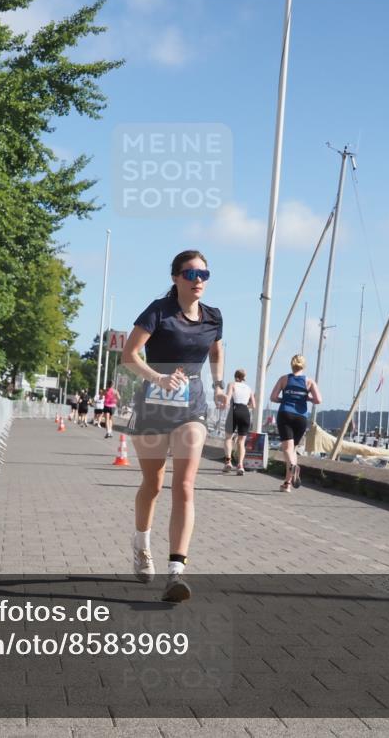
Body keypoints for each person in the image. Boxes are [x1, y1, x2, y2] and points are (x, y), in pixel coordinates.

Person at [122, 249, 225, 603]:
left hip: (191, 408)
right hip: (153, 408)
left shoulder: (213, 317)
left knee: (184, 485)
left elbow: (215, 351)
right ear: (176, 277)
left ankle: (176, 572)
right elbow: (129, 354)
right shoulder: (158, 311)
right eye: (191, 274)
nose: (199, 280)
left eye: (204, 274)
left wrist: (220, 385)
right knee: (152, 483)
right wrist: (157, 377)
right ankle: (140, 544)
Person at [269, 355, 322, 493]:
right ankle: (287, 484)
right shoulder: (309, 382)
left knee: (287, 449)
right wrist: (307, 398)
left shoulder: (284, 379)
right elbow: (318, 400)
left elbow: (273, 397)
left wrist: (284, 399)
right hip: (301, 417)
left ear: (291, 365)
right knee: (293, 451)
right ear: (303, 366)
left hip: (285, 413)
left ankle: (293, 467)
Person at [222, 369, 255, 475]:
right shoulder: (248, 388)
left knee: (228, 438)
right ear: (243, 378)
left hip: (234, 410)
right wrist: (245, 407)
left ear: (235, 377)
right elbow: (253, 405)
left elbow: (228, 398)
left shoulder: (232, 384)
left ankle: (228, 462)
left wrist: (224, 405)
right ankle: (240, 465)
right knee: (241, 442)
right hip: (245, 412)